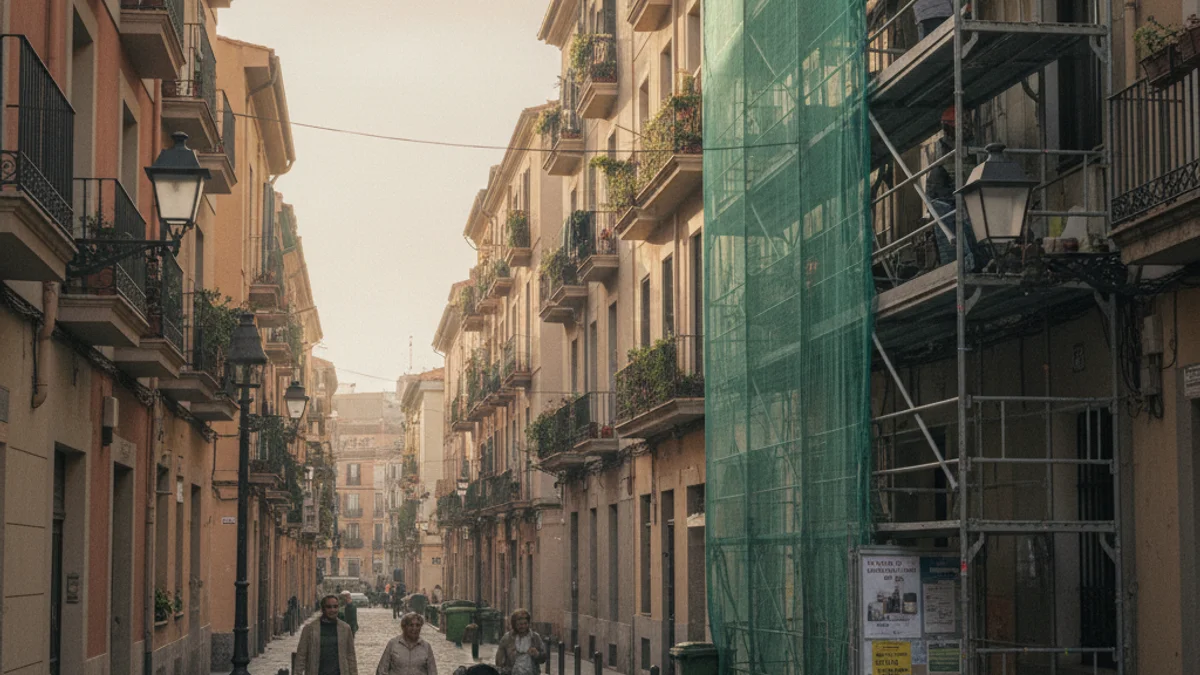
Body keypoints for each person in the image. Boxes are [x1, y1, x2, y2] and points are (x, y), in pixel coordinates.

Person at [295, 594, 358, 675]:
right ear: (323, 609)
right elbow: (301, 656)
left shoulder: (345, 629)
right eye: (329, 607)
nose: (332, 610)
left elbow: (351, 656)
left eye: (335, 607)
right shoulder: (310, 629)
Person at [495, 609, 548, 675]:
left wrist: (537, 654)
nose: (523, 626)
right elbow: (499, 661)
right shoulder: (507, 638)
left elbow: (544, 658)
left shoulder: (535, 637)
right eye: (520, 624)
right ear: (514, 625)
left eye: (525, 623)